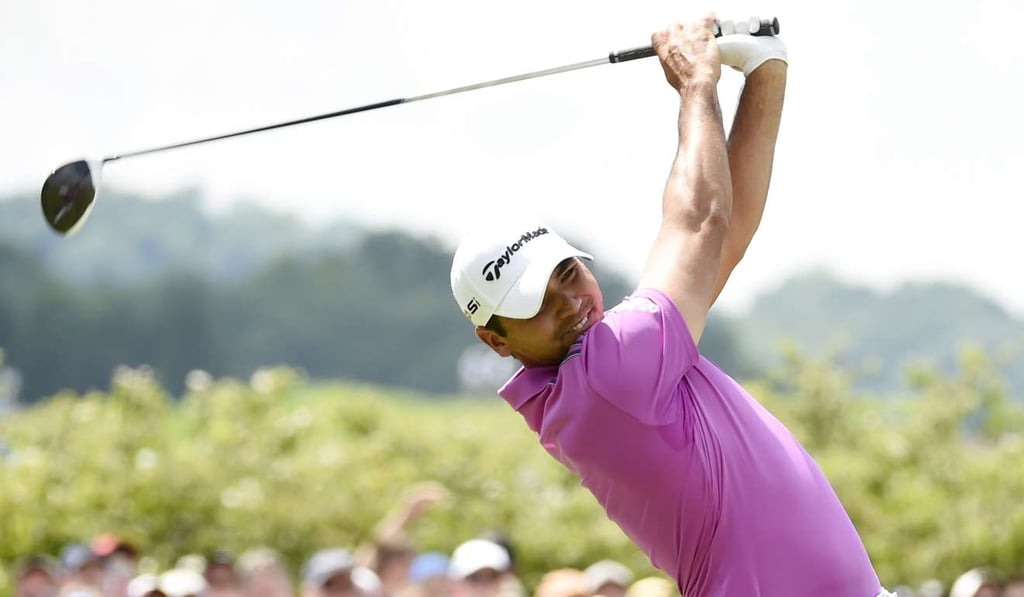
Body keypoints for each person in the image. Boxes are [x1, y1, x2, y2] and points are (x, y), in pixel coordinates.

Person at [449, 14, 892, 597]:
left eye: (568, 272)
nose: (572, 302)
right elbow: (700, 220)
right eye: (536, 302)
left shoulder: (611, 373)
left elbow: (723, 234)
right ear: (496, 340)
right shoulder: (608, 374)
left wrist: (765, 71)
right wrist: (696, 86)